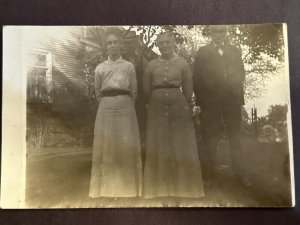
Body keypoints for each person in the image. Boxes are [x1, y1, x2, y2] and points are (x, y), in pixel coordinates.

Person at [143, 32, 205, 198]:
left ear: (173, 43)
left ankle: (185, 188)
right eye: (160, 43)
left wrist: (182, 105)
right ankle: (159, 188)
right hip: (156, 106)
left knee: (179, 143)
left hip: (178, 106)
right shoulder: (151, 65)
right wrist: (157, 100)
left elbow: (188, 89)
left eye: (167, 42)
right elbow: (146, 90)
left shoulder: (182, 64)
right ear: (158, 45)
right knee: (158, 142)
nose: (164, 46)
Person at [89, 30, 142, 198]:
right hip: (106, 106)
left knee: (125, 145)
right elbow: (97, 92)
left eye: (115, 42)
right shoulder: (100, 68)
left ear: (121, 45)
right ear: (106, 47)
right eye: (109, 43)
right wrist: (107, 103)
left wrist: (125, 103)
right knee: (106, 146)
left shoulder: (129, 66)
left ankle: (128, 190)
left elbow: (134, 91)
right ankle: (104, 190)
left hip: (126, 106)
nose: (112, 45)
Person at [193, 25, 248, 185]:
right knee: (210, 138)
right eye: (216, 31)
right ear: (211, 33)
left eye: (222, 31)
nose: (219, 34)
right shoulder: (203, 52)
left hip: (232, 100)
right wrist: (202, 101)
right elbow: (196, 78)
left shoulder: (234, 51)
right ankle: (208, 175)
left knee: (235, 137)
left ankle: (240, 174)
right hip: (211, 102)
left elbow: (241, 73)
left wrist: (233, 88)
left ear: (226, 32)